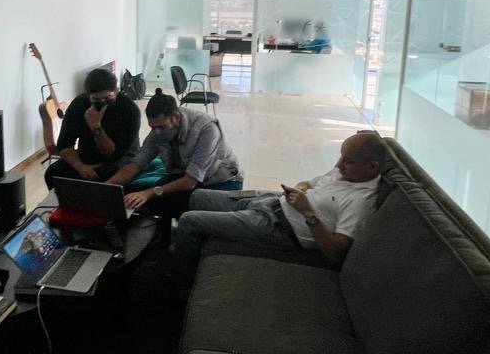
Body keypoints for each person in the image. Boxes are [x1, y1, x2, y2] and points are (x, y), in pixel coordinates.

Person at [171, 131, 389, 275]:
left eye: (348, 161)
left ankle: (180, 281)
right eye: (341, 157)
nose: (339, 165)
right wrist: (300, 190)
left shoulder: (361, 201)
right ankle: (180, 245)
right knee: (197, 197)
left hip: (277, 226)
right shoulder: (345, 173)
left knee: (189, 221)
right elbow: (307, 183)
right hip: (271, 200)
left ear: (372, 166)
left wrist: (308, 212)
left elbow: (335, 253)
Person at [106, 89, 243, 216]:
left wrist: (148, 193)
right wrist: (107, 187)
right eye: (152, 127)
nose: (156, 132)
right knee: (145, 203)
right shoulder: (158, 131)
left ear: (176, 117)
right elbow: (137, 164)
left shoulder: (206, 128)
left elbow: (190, 182)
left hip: (221, 181)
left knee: (193, 214)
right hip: (184, 176)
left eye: (161, 127)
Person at [44, 67, 141, 190]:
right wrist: (80, 166)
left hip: (123, 157)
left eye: (108, 98)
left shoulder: (129, 110)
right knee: (53, 173)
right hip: (87, 155)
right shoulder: (79, 105)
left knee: (110, 175)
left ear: (116, 91)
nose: (103, 104)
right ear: (88, 95)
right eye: (96, 100)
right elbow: (64, 145)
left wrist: (96, 127)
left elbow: (113, 155)